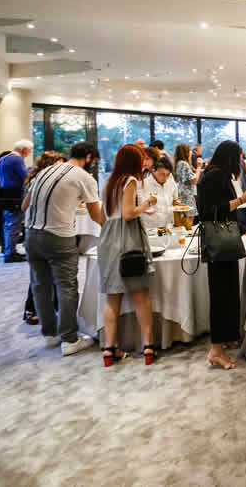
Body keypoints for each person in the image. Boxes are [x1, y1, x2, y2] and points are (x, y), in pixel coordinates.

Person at [22, 141, 104, 356]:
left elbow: (24, 205)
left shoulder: (45, 171)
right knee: (66, 286)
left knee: (40, 285)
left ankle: (49, 333)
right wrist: (112, 227)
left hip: (31, 234)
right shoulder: (83, 177)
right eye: (93, 160)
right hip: (58, 236)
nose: (93, 164)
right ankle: (69, 338)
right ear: (88, 157)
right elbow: (96, 215)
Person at [196, 141, 246, 369]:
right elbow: (213, 211)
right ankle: (216, 350)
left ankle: (225, 340)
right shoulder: (216, 177)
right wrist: (242, 200)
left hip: (223, 243)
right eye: (239, 158)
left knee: (227, 293)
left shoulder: (215, 175)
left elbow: (227, 217)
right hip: (219, 246)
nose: (241, 163)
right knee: (222, 296)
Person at [97, 145, 159, 366]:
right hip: (128, 238)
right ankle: (148, 346)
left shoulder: (108, 182)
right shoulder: (130, 181)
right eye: (141, 158)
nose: (144, 162)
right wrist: (148, 203)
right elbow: (128, 214)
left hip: (108, 239)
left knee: (112, 298)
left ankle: (109, 349)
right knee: (140, 295)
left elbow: (103, 216)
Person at [21, 151, 65, 324]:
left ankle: (50, 308)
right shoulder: (38, 181)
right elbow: (25, 206)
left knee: (48, 273)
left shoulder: (45, 180)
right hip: (38, 229)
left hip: (44, 228)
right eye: (58, 164)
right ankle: (32, 309)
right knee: (41, 274)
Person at [0, 140, 32, 262]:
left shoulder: (3, 159)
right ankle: (10, 253)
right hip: (16, 193)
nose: (29, 153)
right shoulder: (17, 159)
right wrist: (31, 171)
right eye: (29, 150)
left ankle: (8, 250)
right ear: (24, 150)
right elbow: (25, 177)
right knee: (15, 223)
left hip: (4, 193)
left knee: (8, 223)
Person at [140, 157, 178, 230]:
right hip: (150, 227)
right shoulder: (143, 184)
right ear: (153, 171)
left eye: (168, 174)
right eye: (162, 174)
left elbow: (175, 200)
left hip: (168, 226)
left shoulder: (171, 182)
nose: (165, 177)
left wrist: (178, 204)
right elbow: (137, 207)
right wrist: (144, 209)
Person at [173, 143, 200, 220]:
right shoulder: (184, 164)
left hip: (181, 195)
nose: (191, 152)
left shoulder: (178, 163)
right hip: (186, 196)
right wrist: (199, 167)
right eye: (189, 150)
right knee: (188, 222)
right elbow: (194, 180)